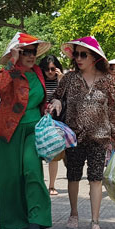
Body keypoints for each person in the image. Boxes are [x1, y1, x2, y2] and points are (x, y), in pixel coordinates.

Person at [49, 36, 115, 229]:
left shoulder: (107, 80)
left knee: (96, 179)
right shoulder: (70, 79)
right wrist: (56, 103)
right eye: (76, 54)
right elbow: (56, 95)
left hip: (100, 136)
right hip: (74, 136)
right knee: (73, 176)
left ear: (94, 57)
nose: (78, 58)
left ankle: (95, 222)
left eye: (83, 54)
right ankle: (73, 214)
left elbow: (112, 109)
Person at [0, 32, 52, 229]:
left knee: (32, 170)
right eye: (26, 52)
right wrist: (12, 63)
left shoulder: (39, 73)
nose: (31, 56)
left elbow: (42, 98)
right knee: (12, 177)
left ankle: (36, 219)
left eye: (33, 52)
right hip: (11, 130)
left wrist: (50, 106)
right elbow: (0, 88)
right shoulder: (11, 73)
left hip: (34, 129)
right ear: (17, 53)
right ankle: (19, 222)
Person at [38, 55, 64, 196]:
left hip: (56, 122)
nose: (50, 72)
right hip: (40, 121)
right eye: (46, 69)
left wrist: (61, 80)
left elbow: (68, 98)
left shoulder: (62, 81)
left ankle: (52, 185)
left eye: (53, 68)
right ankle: (39, 183)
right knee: (37, 155)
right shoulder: (39, 82)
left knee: (53, 155)